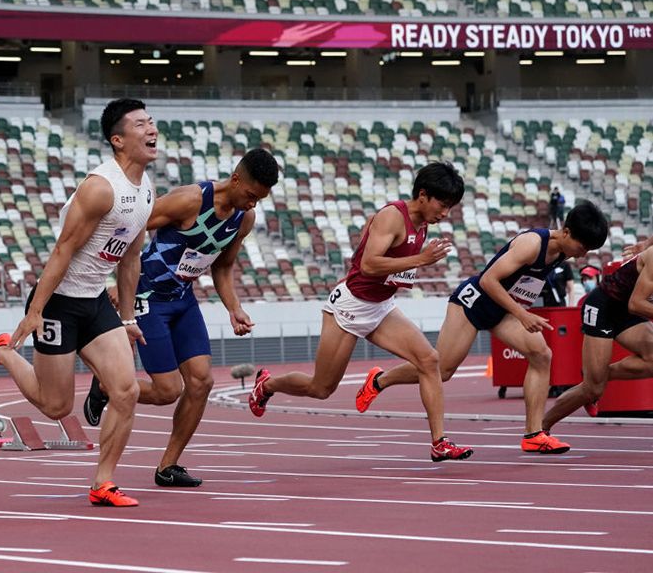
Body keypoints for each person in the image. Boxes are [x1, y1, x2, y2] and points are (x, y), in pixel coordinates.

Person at [0, 98, 156, 507]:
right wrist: (35, 311)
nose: (152, 129)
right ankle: (1, 350)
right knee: (57, 406)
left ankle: (102, 483)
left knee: (125, 391)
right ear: (118, 140)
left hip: (94, 301)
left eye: (152, 122)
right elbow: (62, 252)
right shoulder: (100, 188)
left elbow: (131, 259)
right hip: (58, 303)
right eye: (141, 124)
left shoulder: (145, 192)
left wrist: (126, 320)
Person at [248, 161, 473, 462]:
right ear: (423, 195)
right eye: (443, 205)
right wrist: (420, 259)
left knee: (429, 360)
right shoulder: (393, 217)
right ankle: (267, 384)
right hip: (351, 306)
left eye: (450, 208)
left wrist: (416, 259)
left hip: (381, 307)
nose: (445, 214)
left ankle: (439, 442)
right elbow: (369, 265)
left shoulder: (423, 225)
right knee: (321, 388)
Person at [84, 148, 280, 487]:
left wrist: (234, 308)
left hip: (183, 301)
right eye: (250, 195)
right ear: (235, 179)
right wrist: (123, 282)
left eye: (259, 200)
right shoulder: (190, 200)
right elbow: (133, 228)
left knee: (202, 382)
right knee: (166, 391)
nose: (252, 205)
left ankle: (168, 466)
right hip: (148, 299)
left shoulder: (244, 219)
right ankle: (108, 385)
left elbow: (223, 266)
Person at [358, 201, 609, 454]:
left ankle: (534, 434)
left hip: (502, 309)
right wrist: (522, 314)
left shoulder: (563, 252)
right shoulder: (532, 244)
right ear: (565, 232)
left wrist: (518, 309)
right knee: (442, 370)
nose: (584, 253)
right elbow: (488, 280)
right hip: (472, 304)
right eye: (582, 246)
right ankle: (380, 380)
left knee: (541, 355)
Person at [542, 245, 653, 437]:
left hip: (625, 310)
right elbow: (637, 304)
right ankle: (540, 427)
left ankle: (600, 374)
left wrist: (644, 244)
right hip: (603, 307)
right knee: (593, 389)